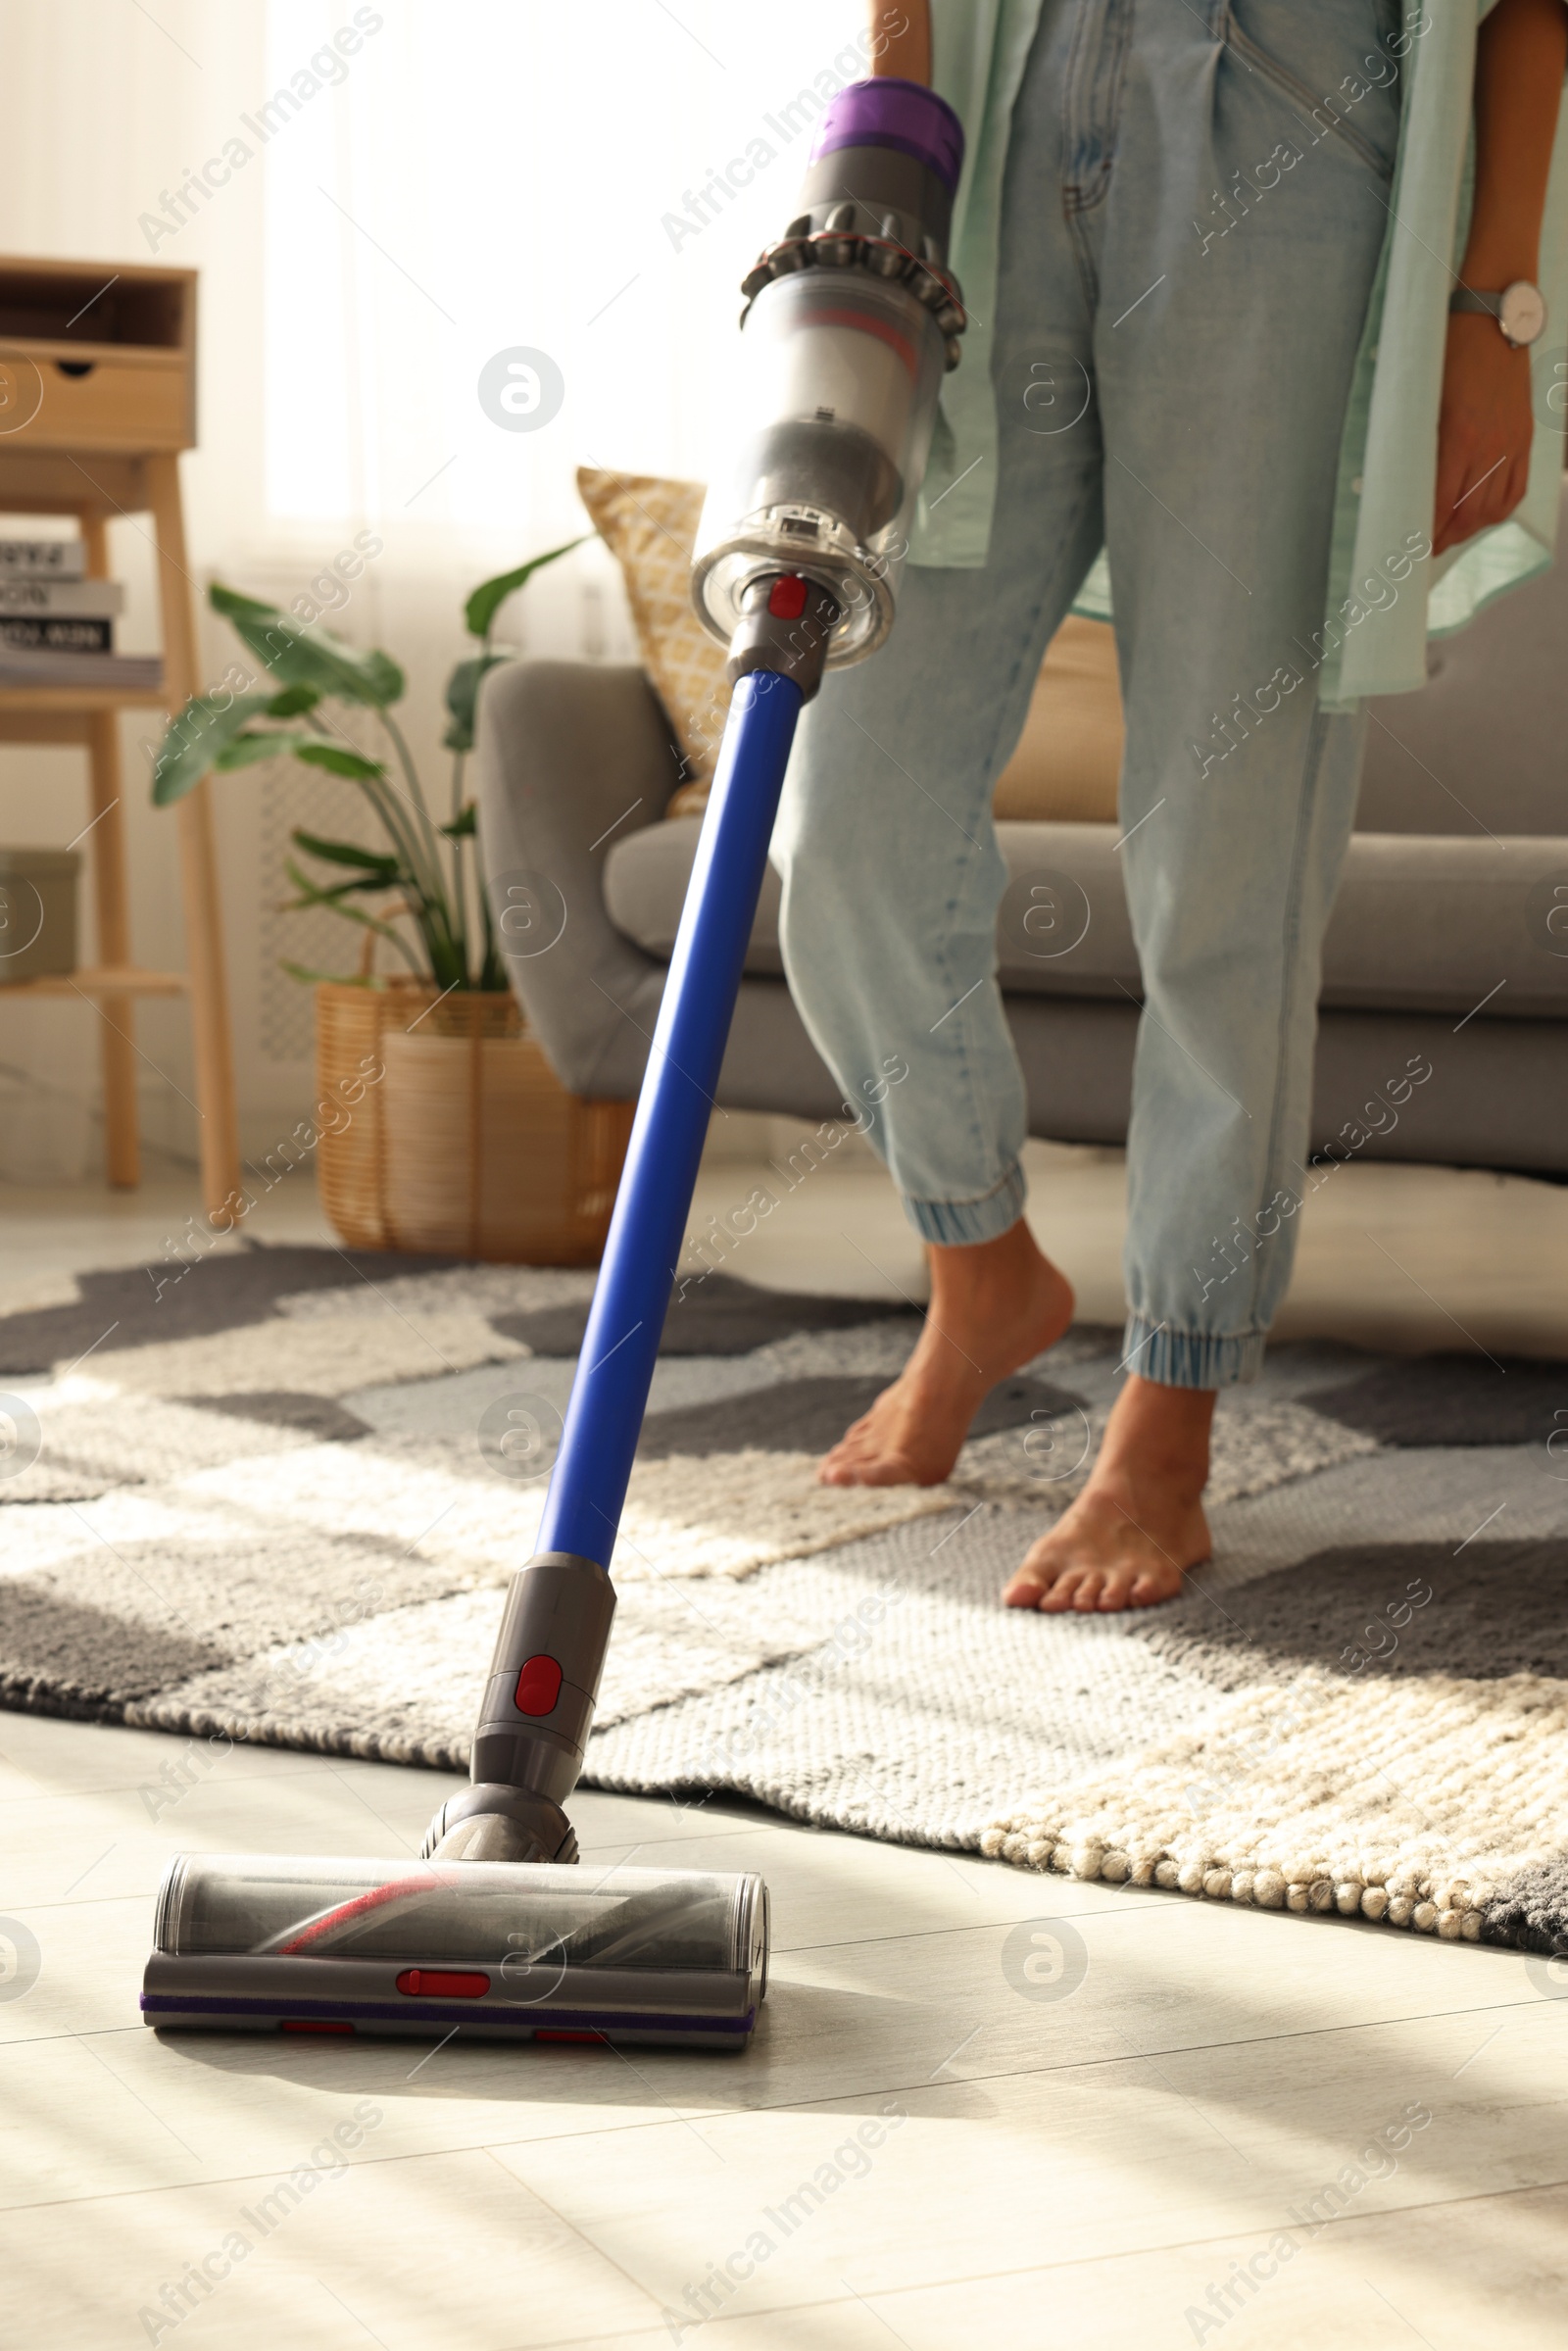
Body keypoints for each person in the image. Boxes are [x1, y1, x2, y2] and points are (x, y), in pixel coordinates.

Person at [772, 0, 1568, 1610]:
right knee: (840, 809)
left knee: (1225, 838)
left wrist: (1496, 308)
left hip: (1289, 118)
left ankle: (1168, 1419)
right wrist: (881, 135)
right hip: (998, 122)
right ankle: (977, 1264)